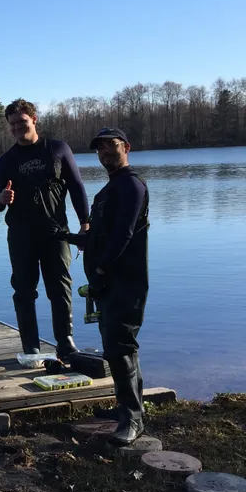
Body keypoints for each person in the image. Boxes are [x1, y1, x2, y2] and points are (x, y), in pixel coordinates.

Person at [60, 127, 149, 445]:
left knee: (120, 346)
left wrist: (100, 268)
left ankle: (132, 419)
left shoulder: (132, 186)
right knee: (118, 345)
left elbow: (123, 235)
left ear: (127, 147)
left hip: (126, 282)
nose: (105, 153)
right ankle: (128, 407)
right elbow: (98, 237)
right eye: (100, 149)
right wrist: (66, 236)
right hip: (107, 282)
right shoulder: (110, 189)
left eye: (111, 146)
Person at [0, 99, 90, 359]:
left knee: (60, 287)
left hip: (56, 233)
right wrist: (1, 199)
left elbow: (77, 186)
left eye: (21, 122)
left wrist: (85, 223)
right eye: (12, 125)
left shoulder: (58, 149)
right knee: (24, 290)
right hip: (21, 235)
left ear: (34, 120)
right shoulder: (6, 160)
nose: (17, 128)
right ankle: (30, 345)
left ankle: (65, 342)